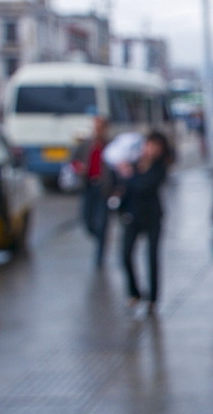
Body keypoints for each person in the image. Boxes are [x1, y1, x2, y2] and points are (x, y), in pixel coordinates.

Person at [117, 131, 173, 316]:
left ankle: (153, 298)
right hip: (131, 216)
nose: (151, 149)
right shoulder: (133, 162)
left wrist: (128, 176)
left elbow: (143, 186)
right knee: (125, 255)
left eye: (156, 146)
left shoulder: (159, 168)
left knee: (152, 257)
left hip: (152, 217)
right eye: (150, 144)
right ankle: (134, 292)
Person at [71, 116, 113, 267]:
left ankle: (100, 256)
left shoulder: (110, 145)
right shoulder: (87, 144)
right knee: (86, 220)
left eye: (101, 127)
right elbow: (74, 160)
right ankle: (100, 237)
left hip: (104, 188)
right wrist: (79, 168)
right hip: (88, 185)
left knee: (102, 222)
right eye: (96, 126)